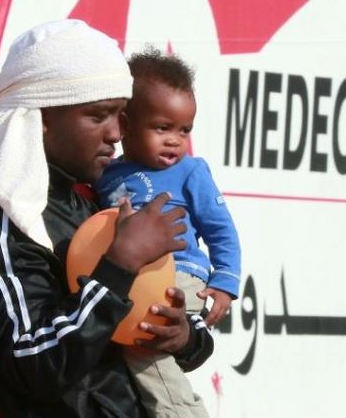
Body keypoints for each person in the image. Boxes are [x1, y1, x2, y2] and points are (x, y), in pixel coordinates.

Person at [0, 19, 213, 417]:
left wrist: (183, 335)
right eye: (98, 115)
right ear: (43, 118)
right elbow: (35, 363)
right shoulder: (1, 227)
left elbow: (189, 348)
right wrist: (118, 267)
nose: (115, 134)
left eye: (121, 115)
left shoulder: (92, 207)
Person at [94, 47, 240, 417]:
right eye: (163, 128)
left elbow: (221, 230)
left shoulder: (191, 172)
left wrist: (224, 282)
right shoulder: (105, 173)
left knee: (145, 340)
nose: (176, 140)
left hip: (180, 275)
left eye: (184, 130)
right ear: (125, 125)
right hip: (128, 277)